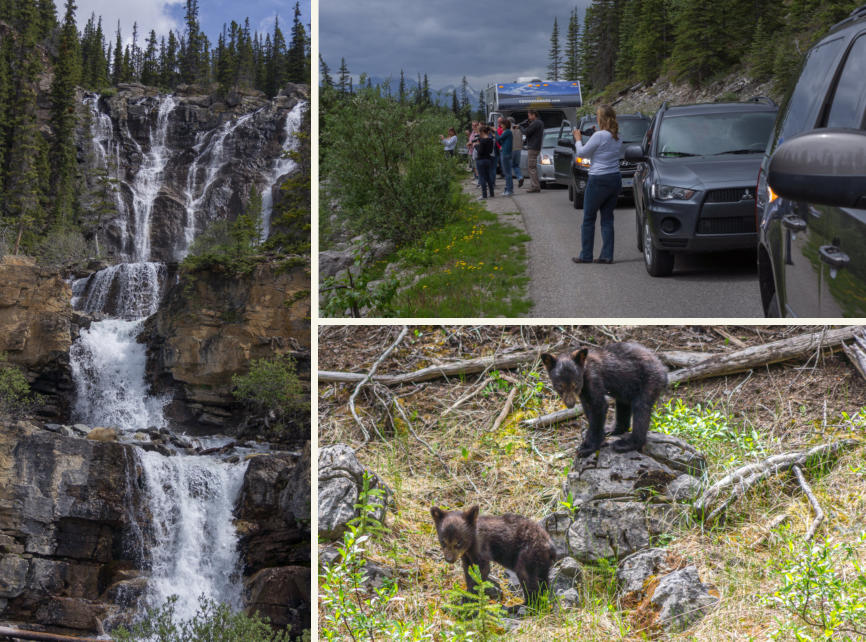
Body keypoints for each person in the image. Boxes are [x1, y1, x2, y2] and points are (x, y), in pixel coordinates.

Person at [571, 104, 623, 264]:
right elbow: (603, 148)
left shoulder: (599, 136)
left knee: (588, 217)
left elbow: (582, 153)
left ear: (601, 118)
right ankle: (607, 255)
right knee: (607, 218)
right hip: (614, 178)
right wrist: (593, 135)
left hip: (598, 178)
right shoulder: (617, 136)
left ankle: (586, 254)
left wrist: (578, 139)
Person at [519, 110, 544, 192]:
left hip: (533, 147)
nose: (528, 117)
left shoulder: (536, 123)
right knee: (533, 167)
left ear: (534, 115)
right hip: (536, 147)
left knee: (531, 167)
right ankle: (535, 185)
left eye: (529, 115)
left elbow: (526, 132)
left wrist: (520, 127)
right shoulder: (540, 123)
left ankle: (535, 186)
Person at [475, 126, 496, 199]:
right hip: (488, 160)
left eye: (479, 132)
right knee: (488, 177)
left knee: (482, 177)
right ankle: (492, 193)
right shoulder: (490, 140)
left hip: (481, 160)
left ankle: (484, 195)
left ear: (482, 132)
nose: (478, 134)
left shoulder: (482, 141)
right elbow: (490, 151)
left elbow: (480, 152)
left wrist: (476, 146)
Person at [496, 117, 514, 196]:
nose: (500, 126)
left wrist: (495, 132)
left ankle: (509, 190)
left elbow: (499, 138)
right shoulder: (506, 132)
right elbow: (500, 141)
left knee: (507, 173)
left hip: (506, 154)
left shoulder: (507, 132)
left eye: (502, 124)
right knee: (507, 172)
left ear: (505, 125)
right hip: (505, 152)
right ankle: (509, 189)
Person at [510, 117, 524, 188]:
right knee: (516, 165)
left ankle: (509, 184)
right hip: (518, 149)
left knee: (509, 166)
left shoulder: (508, 129)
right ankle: (520, 177)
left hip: (511, 149)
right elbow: (522, 139)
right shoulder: (518, 129)